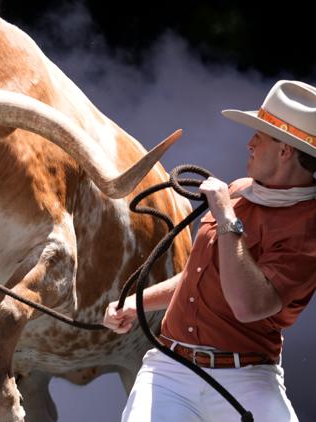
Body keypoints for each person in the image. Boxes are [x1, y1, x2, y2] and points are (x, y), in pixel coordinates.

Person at [104, 79, 316, 421]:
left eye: (258, 137)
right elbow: (198, 278)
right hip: (169, 368)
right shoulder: (241, 189)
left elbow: (249, 305)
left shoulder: (308, 227)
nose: (249, 144)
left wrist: (226, 216)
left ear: (284, 151)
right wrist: (134, 302)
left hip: (249, 376)